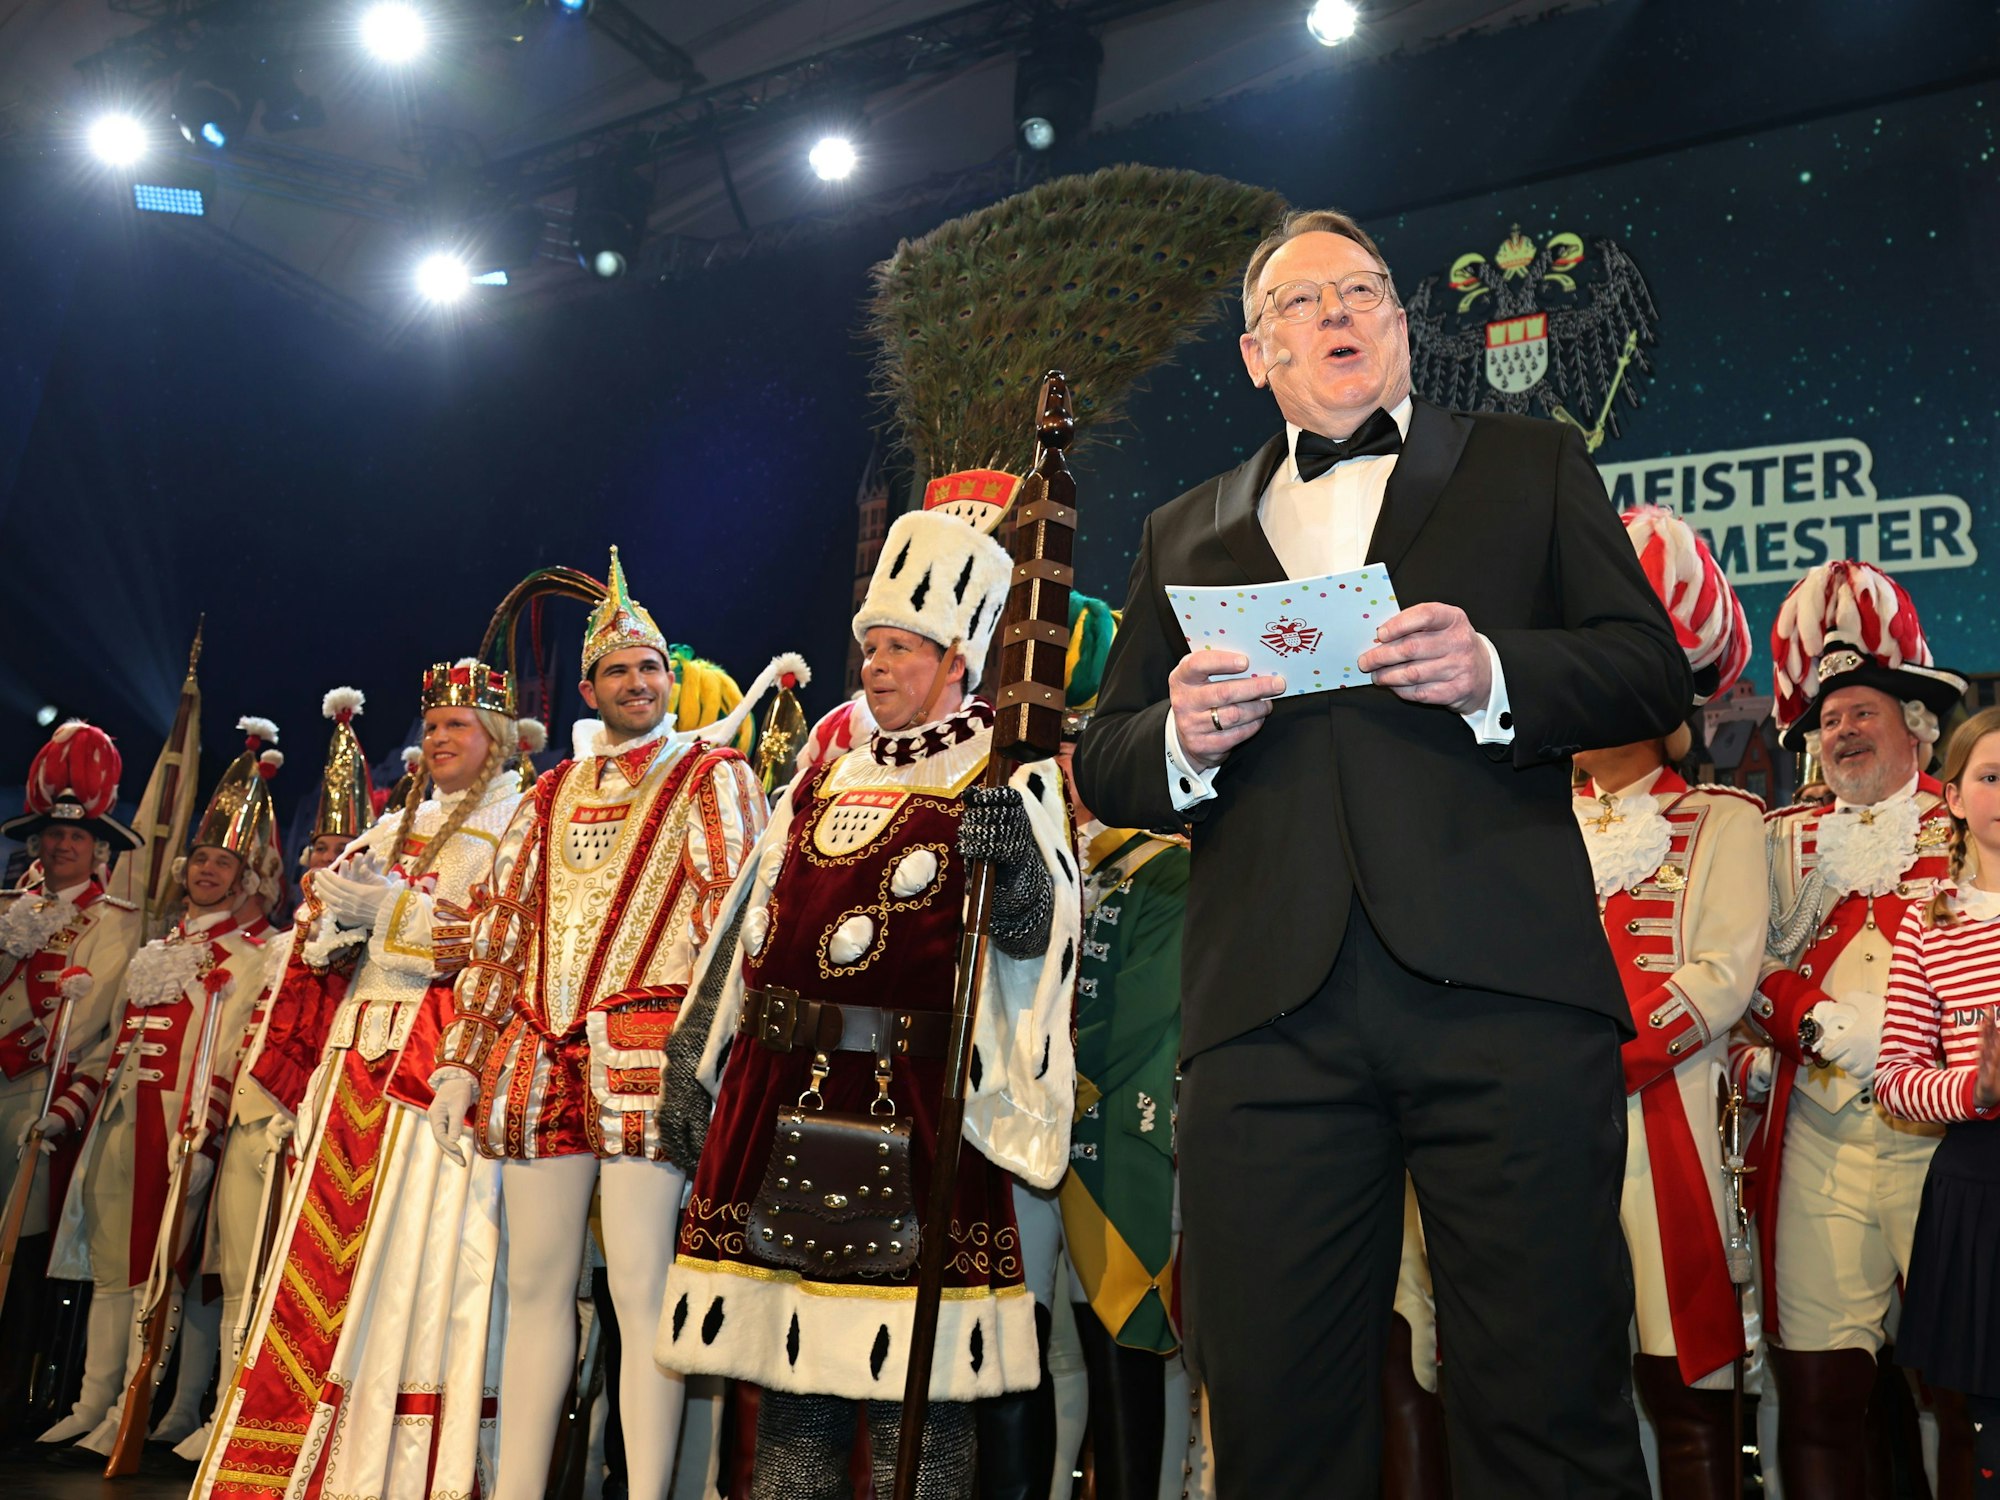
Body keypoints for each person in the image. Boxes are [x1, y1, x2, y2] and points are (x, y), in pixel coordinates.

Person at [1073, 206, 1689, 1495]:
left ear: (1404, 330)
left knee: (1545, 1399)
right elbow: (1104, 753)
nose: (1338, 316)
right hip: (1263, 1023)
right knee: (1273, 1418)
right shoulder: (1181, 530)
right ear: (1255, 354)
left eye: (1362, 293)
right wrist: (1181, 738)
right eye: (1301, 303)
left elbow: (1646, 670)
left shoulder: (1529, 463)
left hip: (1503, 999)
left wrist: (1491, 671)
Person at [658, 488, 1078, 1499]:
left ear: (955, 662)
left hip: (916, 1114)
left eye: (899, 649)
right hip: (782, 1093)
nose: (875, 669)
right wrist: (692, 1061)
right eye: (871, 648)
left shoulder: (1002, 774)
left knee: (912, 1402)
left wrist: (1012, 862)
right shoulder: (825, 773)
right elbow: (749, 926)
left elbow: (1033, 933)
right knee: (793, 1381)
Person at [427, 549, 773, 1500]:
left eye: (650, 667)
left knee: (641, 1292)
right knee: (534, 1291)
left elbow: (736, 932)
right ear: (589, 686)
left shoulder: (716, 776)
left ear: (671, 679)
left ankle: (650, 1492)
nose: (636, 682)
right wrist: (462, 1061)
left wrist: (723, 1068)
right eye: (617, 670)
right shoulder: (545, 796)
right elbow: (502, 935)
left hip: (650, 1068)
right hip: (538, 1057)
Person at [194, 661, 526, 1500]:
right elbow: (318, 945)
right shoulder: (387, 825)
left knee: (412, 1267)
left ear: (495, 740)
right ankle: (289, 1451)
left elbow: (490, 945)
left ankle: (391, 1467)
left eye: (459, 725)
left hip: (430, 1066)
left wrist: (386, 917)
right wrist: (330, 919)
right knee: (313, 1263)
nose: (441, 738)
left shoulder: (517, 821)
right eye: (435, 724)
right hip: (350, 1061)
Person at [1740, 559, 1971, 1497]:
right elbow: (1738, 965)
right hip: (1820, 1147)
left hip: (1946, 1149)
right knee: (1818, 1394)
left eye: (1862, 712)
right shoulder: (1782, 837)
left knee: (1959, 1391)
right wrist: (1810, 1018)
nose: (1841, 731)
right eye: (1829, 720)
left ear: (1914, 726)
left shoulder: (1968, 823)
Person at [1572, 507, 1764, 1498]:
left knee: (1680, 1382)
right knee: (1566, 1384)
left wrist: (1586, 1066)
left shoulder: (1722, 820)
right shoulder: (1527, 827)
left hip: (1665, 1126)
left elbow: (1718, 979)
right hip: (1538, 1135)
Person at [39, 718, 283, 1461]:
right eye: (200, 859)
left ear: (246, 878)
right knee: (113, 1262)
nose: (206, 871)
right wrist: (74, 1107)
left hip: (184, 1127)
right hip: (122, 1118)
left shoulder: (253, 954)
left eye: (222, 863)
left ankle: (138, 1409)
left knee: (170, 1269)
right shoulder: (159, 948)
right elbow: (113, 1038)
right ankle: (92, 1403)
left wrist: (204, 1133)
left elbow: (236, 1046)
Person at [171, 686, 379, 1461]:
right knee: (233, 1271)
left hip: (307, 1124)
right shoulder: (290, 939)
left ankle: (273, 1417)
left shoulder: (352, 945)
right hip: (251, 1120)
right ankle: (229, 1409)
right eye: (316, 854)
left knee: (282, 1277)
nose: (321, 865)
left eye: (338, 855)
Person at [0, 721, 145, 1441]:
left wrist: (60, 1103)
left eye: (79, 839)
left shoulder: (115, 924)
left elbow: (99, 1028)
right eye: (54, 837)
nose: (63, 847)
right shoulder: (5, 907)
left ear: (100, 849)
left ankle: (10, 1397)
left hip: (35, 1094)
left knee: (21, 1257)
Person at [1877, 707, 2000, 1498]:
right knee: (1989, 1428)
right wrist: (1975, 1088)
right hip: (1978, 1186)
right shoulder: (1931, 922)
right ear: (1951, 797)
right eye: (1990, 777)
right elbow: (1892, 1077)